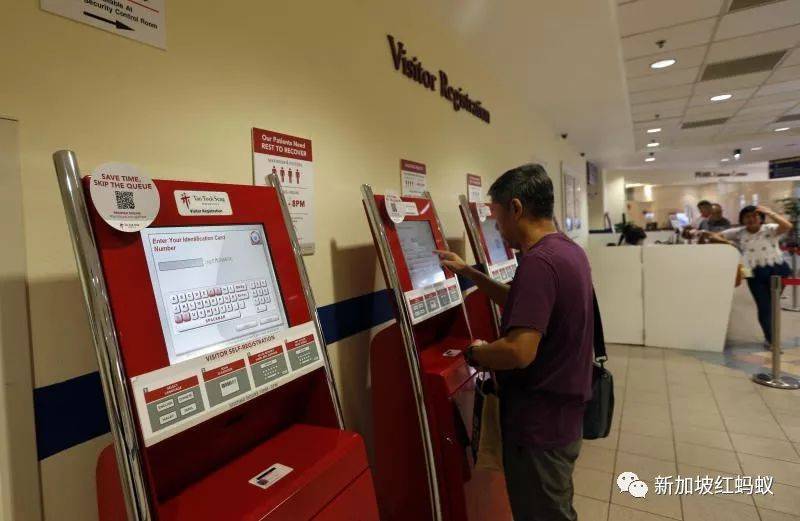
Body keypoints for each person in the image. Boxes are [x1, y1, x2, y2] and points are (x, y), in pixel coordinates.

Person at [435, 164, 593, 521]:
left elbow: (519, 351)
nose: (497, 228)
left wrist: (475, 354)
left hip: (538, 425)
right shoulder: (567, 252)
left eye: (497, 218)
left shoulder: (538, 262)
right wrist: (470, 273)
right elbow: (524, 303)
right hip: (563, 416)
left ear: (517, 208)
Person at [704, 205, 792, 346]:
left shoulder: (769, 228)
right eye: (747, 217)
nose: (751, 219)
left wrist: (770, 212)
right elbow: (713, 236)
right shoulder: (739, 232)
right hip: (751, 271)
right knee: (764, 306)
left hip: (777, 269)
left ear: (761, 218)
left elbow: (787, 226)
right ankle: (771, 339)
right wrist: (729, 243)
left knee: (771, 304)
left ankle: (771, 336)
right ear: (742, 219)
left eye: (754, 216)